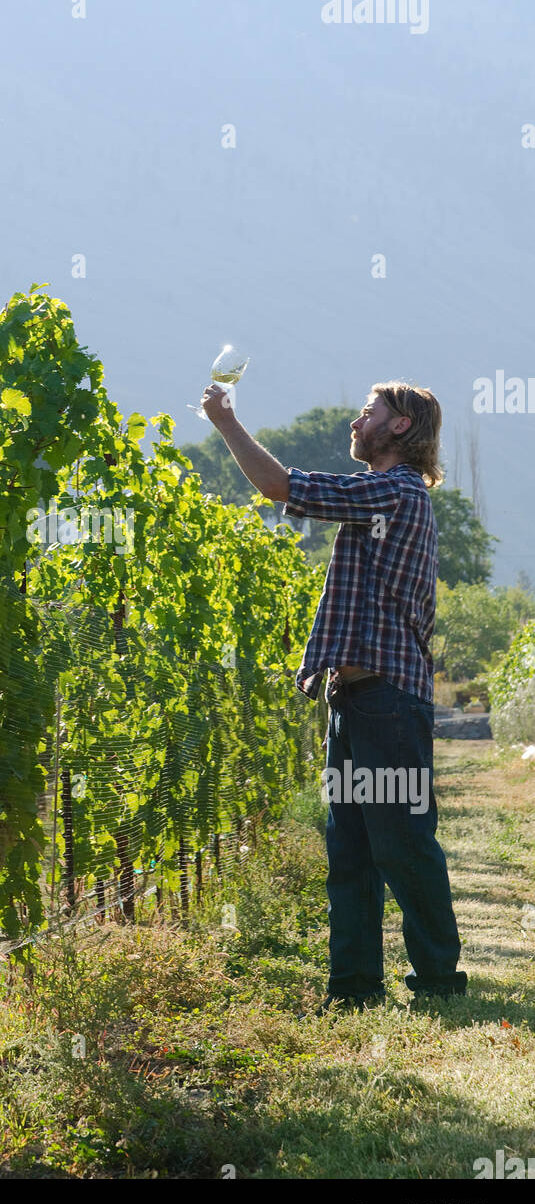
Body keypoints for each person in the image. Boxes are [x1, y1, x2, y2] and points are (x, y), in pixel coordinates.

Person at [201, 378, 466, 1010]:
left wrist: (225, 421)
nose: (358, 419)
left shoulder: (395, 492)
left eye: (370, 411)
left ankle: (437, 978)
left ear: (400, 427)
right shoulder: (385, 493)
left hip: (388, 702)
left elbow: (283, 488)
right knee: (349, 849)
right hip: (354, 701)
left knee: (400, 844)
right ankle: (354, 989)